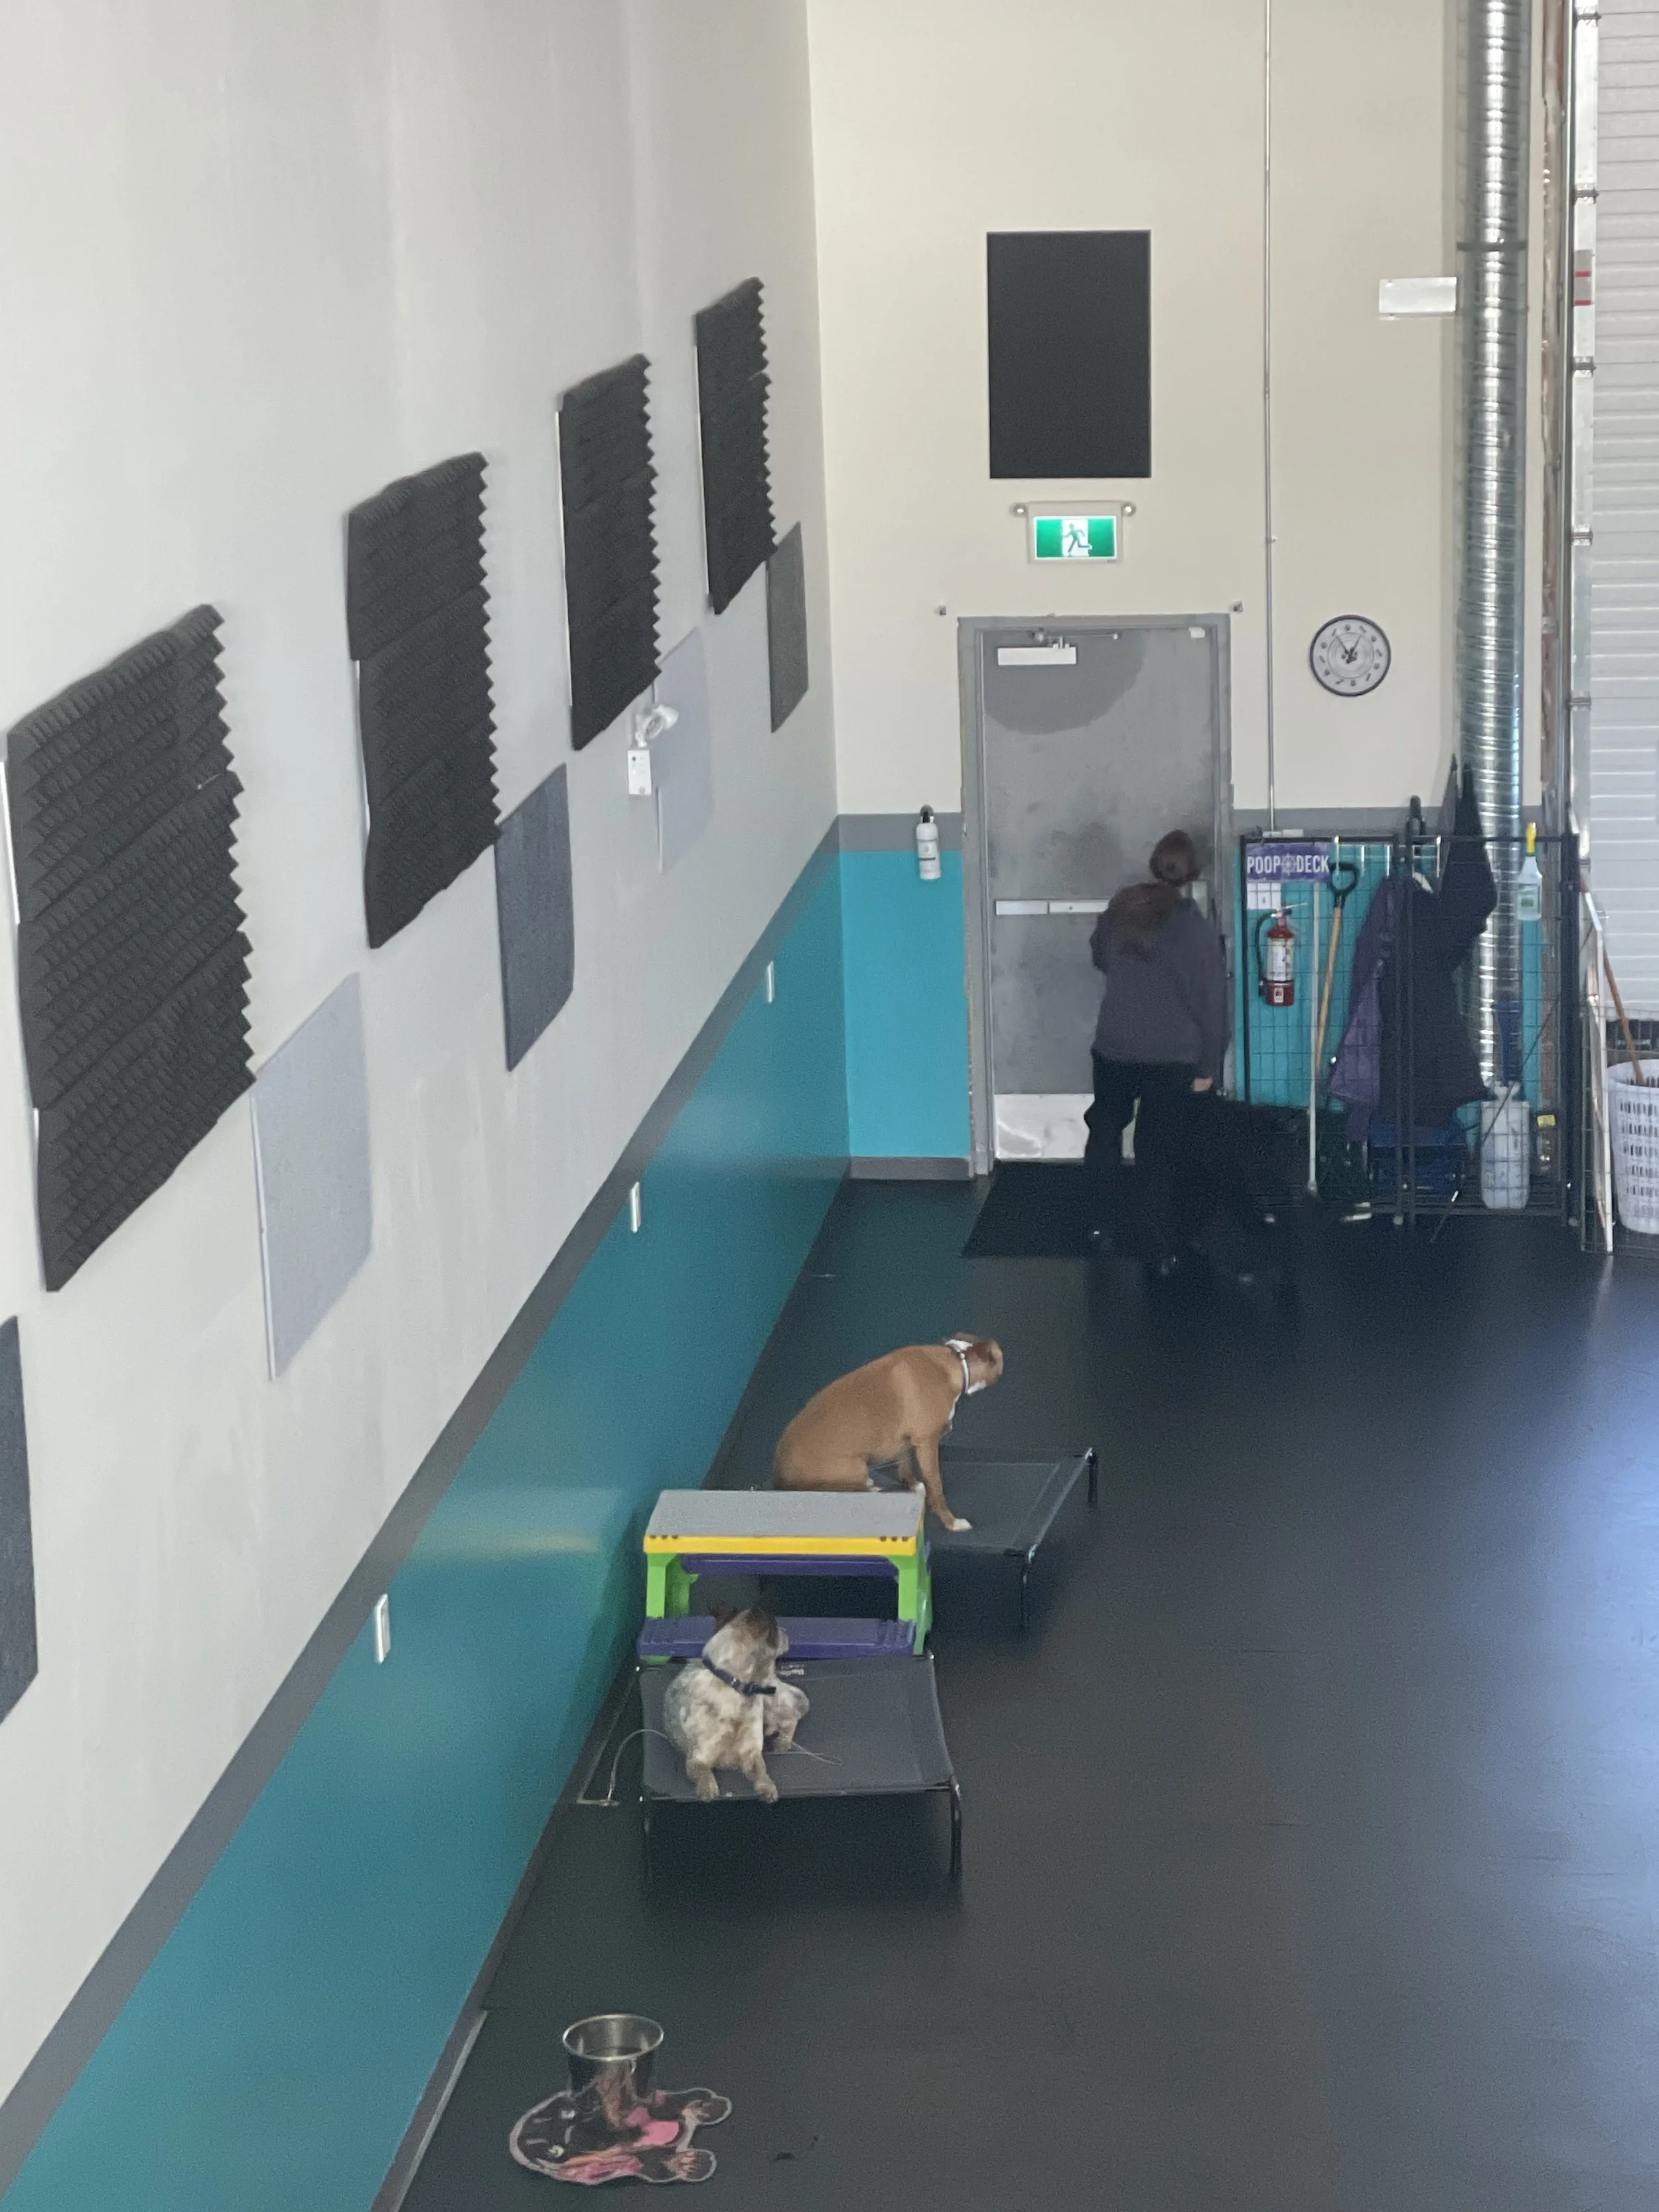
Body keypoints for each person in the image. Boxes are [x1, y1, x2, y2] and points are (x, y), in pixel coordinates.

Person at [1084, 830, 1230, 1279]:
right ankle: (1155, 1244)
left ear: (1154, 863)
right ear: (1193, 874)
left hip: (1115, 1046)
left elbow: (1099, 956)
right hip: (1172, 1058)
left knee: (1106, 1129)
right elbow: (1214, 1009)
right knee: (1157, 1151)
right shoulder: (1197, 931)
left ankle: (1098, 1226)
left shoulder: (1122, 908)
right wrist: (1209, 1067)